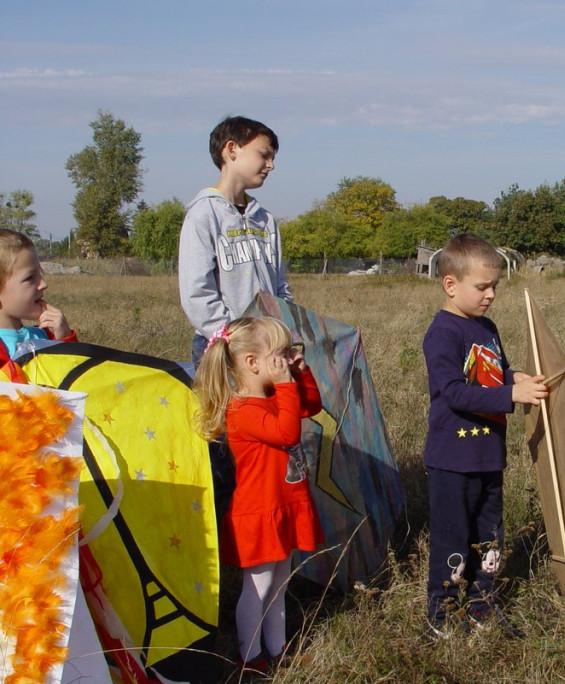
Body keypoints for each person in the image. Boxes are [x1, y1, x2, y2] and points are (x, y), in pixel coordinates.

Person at [421, 233, 548, 638]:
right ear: (450, 284)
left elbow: (490, 375)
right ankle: (441, 610)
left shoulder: (486, 327)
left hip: (488, 454)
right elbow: (454, 391)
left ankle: (481, 603)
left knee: (489, 536)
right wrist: (512, 394)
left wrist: (516, 378)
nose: (491, 294)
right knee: (452, 537)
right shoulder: (442, 333)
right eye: (482, 287)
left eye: (495, 286)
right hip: (451, 460)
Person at [192, 316, 324, 675]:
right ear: (252, 362)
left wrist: (300, 375)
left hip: (283, 505)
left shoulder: (272, 397)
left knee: (280, 584)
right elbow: (286, 432)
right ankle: (249, 658)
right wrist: (285, 387)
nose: (287, 358)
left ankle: (277, 648)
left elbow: (311, 407)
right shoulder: (242, 410)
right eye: (280, 353)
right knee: (259, 587)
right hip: (260, 512)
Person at [179, 115, 291, 366]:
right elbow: (197, 291)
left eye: (273, 158)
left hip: (269, 346)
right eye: (264, 155)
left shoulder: (265, 220)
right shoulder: (204, 215)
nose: (270, 165)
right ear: (231, 150)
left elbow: (281, 288)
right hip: (221, 348)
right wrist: (231, 338)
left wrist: (286, 333)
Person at [0, 228, 77, 380]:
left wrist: (64, 339)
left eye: (40, 274)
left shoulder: (44, 337)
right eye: (30, 278)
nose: (43, 284)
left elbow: (71, 381)